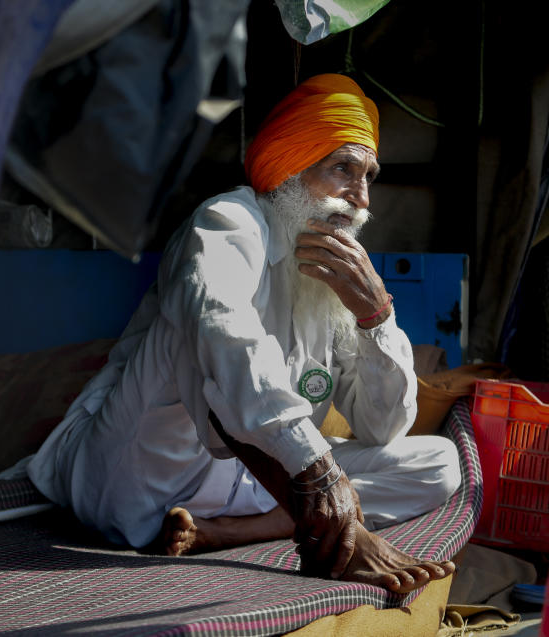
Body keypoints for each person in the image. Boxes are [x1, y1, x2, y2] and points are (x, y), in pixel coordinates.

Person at [26, 74, 461, 593]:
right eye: (342, 168)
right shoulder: (230, 221)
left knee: (439, 462)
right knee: (204, 330)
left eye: (369, 176)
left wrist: (376, 316)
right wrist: (321, 475)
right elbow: (226, 334)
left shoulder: (335, 276)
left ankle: (231, 533)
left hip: (256, 487)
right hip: (136, 486)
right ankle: (330, 524)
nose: (360, 198)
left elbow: (383, 427)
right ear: (291, 166)